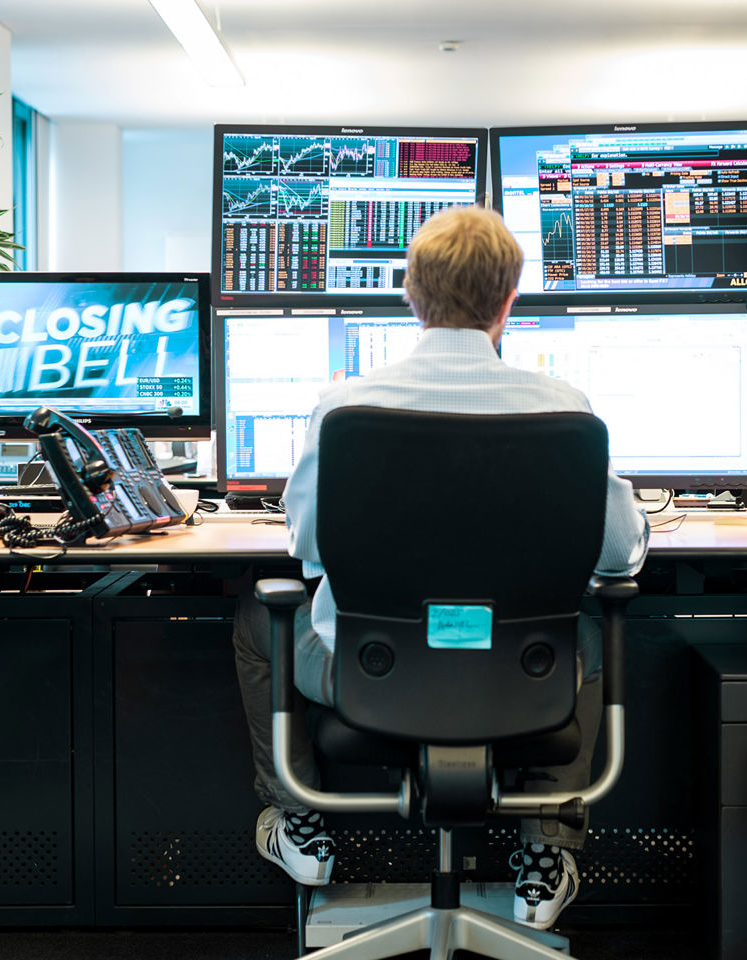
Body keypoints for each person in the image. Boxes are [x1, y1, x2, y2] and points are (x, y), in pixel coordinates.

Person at [232, 205, 649, 931]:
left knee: (255, 617)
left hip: (372, 674)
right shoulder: (565, 409)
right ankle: (546, 851)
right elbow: (618, 556)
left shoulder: (344, 407)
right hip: (519, 678)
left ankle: (301, 822)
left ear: (409, 293)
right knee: (590, 627)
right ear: (509, 301)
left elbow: (306, 545)